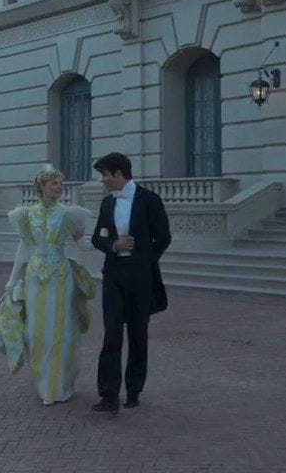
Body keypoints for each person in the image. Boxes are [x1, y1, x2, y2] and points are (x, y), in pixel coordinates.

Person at [0, 166, 96, 406]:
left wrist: (100, 245)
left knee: (62, 331)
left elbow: (81, 245)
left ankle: (59, 385)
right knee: (36, 332)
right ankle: (44, 384)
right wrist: (12, 278)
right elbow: (24, 247)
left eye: (61, 183)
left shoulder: (69, 215)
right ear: (42, 187)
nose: (59, 187)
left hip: (61, 278)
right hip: (35, 278)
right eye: (54, 183)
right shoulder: (26, 215)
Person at [89, 153, 171, 414]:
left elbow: (164, 238)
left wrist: (144, 261)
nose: (103, 180)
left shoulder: (150, 200)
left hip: (140, 277)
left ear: (119, 173)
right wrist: (114, 245)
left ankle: (134, 390)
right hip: (113, 275)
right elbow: (96, 239)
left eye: (105, 174)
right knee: (111, 334)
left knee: (138, 334)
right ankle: (108, 395)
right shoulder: (106, 204)